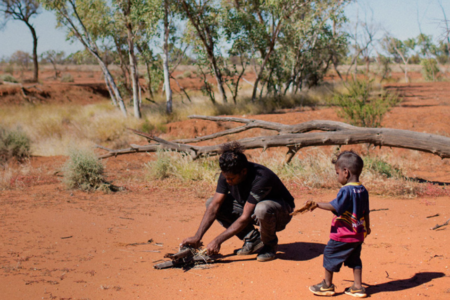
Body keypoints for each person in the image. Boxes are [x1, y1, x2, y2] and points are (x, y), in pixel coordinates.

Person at [181, 141, 295, 262]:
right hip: (250, 207)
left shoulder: (262, 177)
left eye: (231, 178)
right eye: (226, 178)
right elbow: (214, 205)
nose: (228, 181)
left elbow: (245, 216)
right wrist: (197, 237)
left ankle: (269, 246)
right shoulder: (228, 174)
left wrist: (217, 240)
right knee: (211, 203)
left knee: (262, 209)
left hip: (280, 211)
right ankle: (253, 239)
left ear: (243, 172)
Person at [308, 151, 371, 298]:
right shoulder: (363, 190)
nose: (337, 177)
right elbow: (366, 211)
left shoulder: (346, 190)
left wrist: (317, 204)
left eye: (337, 173)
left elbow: (335, 207)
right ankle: (357, 287)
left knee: (329, 254)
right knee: (355, 259)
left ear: (345, 172)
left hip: (342, 234)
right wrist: (367, 227)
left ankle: (327, 286)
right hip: (358, 234)